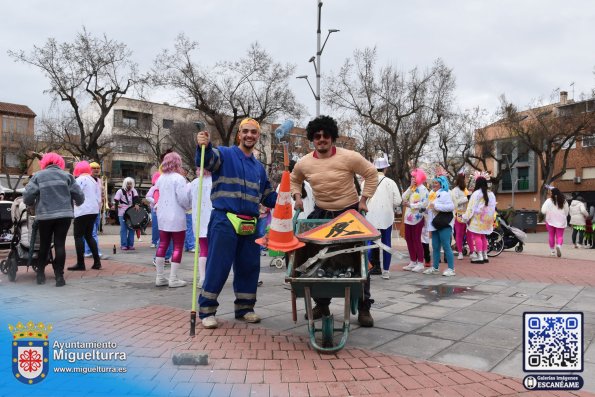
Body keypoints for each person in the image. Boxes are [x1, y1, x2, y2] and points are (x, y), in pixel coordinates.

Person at [291, 115, 378, 327]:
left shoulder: (349, 157)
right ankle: (322, 303)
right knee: (310, 254)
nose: (322, 139)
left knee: (358, 257)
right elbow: (295, 179)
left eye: (326, 135)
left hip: (348, 212)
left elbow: (371, 173)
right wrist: (297, 197)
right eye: (317, 136)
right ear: (312, 139)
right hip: (322, 213)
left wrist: (364, 200)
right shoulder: (304, 162)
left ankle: (364, 306)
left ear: (332, 137)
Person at [196, 118, 277, 329]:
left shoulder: (259, 168)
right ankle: (207, 310)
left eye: (254, 132)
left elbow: (268, 196)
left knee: (249, 267)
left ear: (258, 136)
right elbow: (207, 161)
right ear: (239, 134)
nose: (250, 135)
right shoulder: (224, 154)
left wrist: (287, 194)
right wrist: (203, 145)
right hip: (224, 219)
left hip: (250, 222)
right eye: (246, 132)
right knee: (218, 266)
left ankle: (245, 308)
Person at [23, 153, 84, 287]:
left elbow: (27, 197)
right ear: (59, 163)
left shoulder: (38, 176)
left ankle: (40, 275)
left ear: (44, 163)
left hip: (45, 216)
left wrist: (32, 201)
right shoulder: (67, 176)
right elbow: (79, 196)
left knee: (44, 244)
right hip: (64, 216)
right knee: (59, 244)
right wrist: (77, 202)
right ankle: (59, 277)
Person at [153, 152, 192, 288]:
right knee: (178, 246)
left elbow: (156, 194)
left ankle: (159, 276)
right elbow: (182, 199)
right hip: (176, 215)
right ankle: (173, 278)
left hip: (163, 215)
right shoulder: (179, 179)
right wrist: (189, 205)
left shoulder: (161, 178)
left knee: (162, 244)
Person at [363, 152, 401, 279]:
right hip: (386, 216)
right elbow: (398, 201)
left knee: (368, 242)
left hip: (369, 216)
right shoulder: (391, 182)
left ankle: (366, 269)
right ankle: (386, 271)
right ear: (385, 168)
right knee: (386, 243)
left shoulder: (366, 182)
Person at [68, 161, 102, 271]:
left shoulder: (80, 180)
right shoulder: (94, 180)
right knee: (89, 235)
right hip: (93, 211)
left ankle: (80, 263)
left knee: (78, 236)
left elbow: (76, 193)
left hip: (83, 210)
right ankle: (97, 262)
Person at [422, 176, 456, 276]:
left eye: (436, 183)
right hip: (435, 224)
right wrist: (424, 209)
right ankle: (435, 267)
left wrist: (436, 206)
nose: (434, 184)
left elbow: (451, 207)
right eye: (433, 183)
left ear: (442, 184)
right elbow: (430, 208)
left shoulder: (445, 193)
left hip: (444, 224)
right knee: (435, 246)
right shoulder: (433, 194)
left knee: (446, 246)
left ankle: (451, 269)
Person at [462, 172, 496, 264]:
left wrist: (465, 217)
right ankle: (485, 255)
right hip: (487, 220)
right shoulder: (491, 194)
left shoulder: (476, 193)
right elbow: (493, 208)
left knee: (477, 236)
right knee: (483, 236)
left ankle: (479, 256)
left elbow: (471, 207)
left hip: (477, 219)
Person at [188, 167, 213, 288]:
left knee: (203, 249)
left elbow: (185, 200)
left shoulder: (194, 183)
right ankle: (208, 277)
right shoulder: (216, 181)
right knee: (213, 250)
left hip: (199, 220)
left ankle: (203, 278)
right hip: (214, 220)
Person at [402, 169, 429, 273]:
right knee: (409, 239)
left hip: (418, 218)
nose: (412, 178)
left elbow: (425, 203)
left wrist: (411, 205)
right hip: (408, 217)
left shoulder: (423, 189)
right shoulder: (412, 188)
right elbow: (403, 197)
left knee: (417, 239)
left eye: (414, 177)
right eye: (412, 177)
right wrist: (410, 187)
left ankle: (420, 262)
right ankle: (413, 261)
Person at [541, 187, 569, 257]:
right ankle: (559, 246)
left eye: (550, 192)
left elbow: (543, 211)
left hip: (550, 220)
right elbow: (566, 212)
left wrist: (549, 211)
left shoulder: (548, 201)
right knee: (560, 236)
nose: (549, 193)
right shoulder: (564, 201)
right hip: (561, 220)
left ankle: (552, 251)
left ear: (552, 194)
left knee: (551, 235)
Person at [113, 177, 140, 251]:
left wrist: (137, 204)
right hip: (122, 213)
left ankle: (130, 245)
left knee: (132, 229)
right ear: (125, 184)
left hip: (131, 213)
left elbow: (136, 199)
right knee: (124, 229)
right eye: (128, 184)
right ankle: (124, 245)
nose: (129, 185)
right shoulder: (120, 191)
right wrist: (117, 204)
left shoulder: (134, 191)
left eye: (130, 184)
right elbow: (116, 200)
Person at [83, 162, 103, 258]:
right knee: (92, 232)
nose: (96, 170)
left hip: (97, 209)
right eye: (93, 168)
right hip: (89, 209)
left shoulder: (99, 180)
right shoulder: (86, 179)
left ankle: (87, 250)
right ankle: (95, 252)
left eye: (98, 168)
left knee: (90, 232)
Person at [452, 173, 469, 260]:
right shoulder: (455, 190)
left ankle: (470, 251)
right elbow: (456, 202)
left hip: (467, 214)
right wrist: (467, 198)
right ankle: (460, 252)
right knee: (459, 233)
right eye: (466, 178)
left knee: (468, 233)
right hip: (459, 214)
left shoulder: (465, 190)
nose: (467, 180)